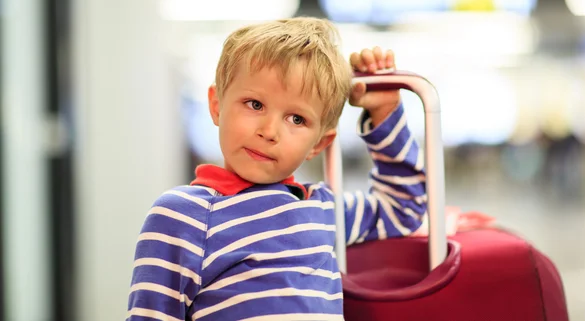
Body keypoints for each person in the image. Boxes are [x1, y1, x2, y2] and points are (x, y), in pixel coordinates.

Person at [126, 18, 427, 321]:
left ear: (319, 144)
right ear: (217, 105)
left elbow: (403, 209)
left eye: (296, 119)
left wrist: (385, 112)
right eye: (255, 104)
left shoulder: (321, 209)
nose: (269, 131)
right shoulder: (183, 215)